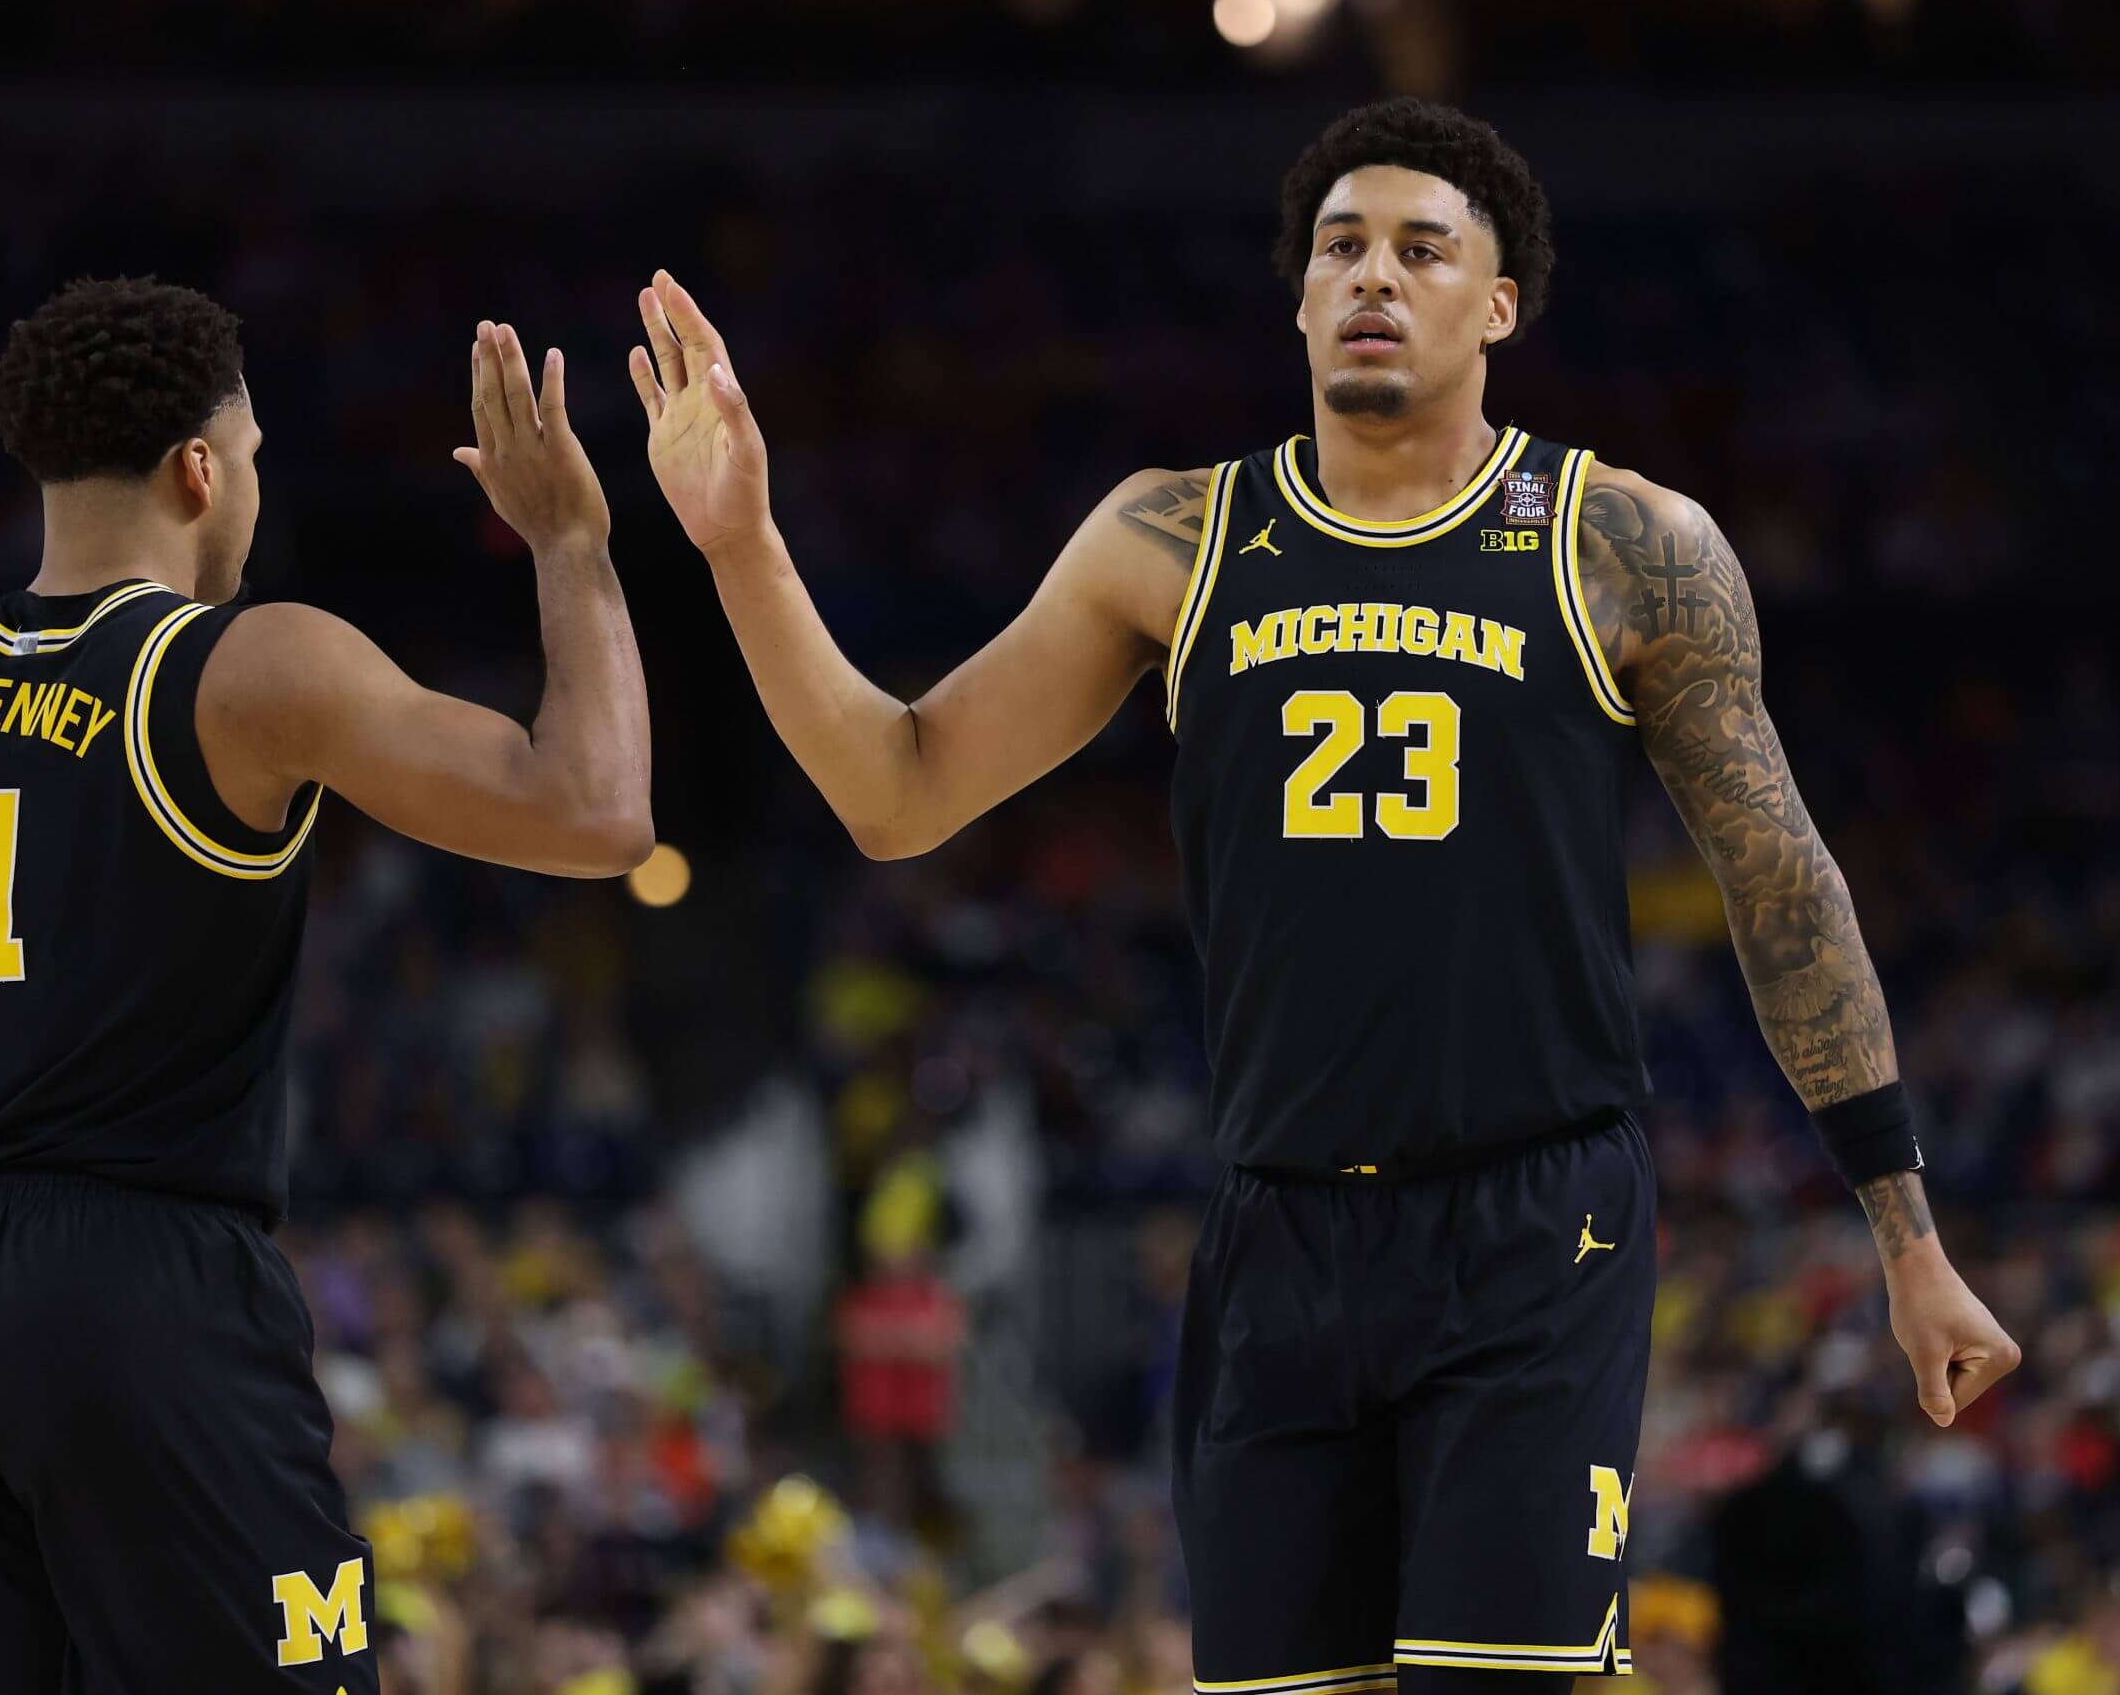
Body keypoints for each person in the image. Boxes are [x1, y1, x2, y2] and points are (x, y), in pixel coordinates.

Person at [626, 98, 2018, 1692]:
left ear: (1496, 307)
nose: (1374, 275)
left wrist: (1906, 1231)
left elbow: (1785, 884)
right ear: (1295, 299)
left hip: (1534, 1220)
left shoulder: (1628, 542)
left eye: (1424, 249)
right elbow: (897, 790)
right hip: (1281, 1224)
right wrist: (741, 544)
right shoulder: (1174, 534)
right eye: (1340, 247)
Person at [0, 276, 651, 1692]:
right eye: (247, 462)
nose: (250, 494)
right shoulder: (244, 665)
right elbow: (595, 810)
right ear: (197, 469)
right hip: (139, 1289)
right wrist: (572, 541)